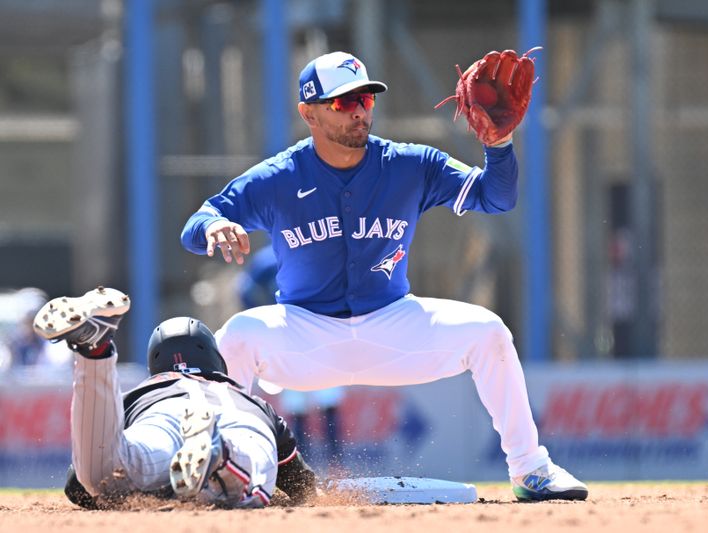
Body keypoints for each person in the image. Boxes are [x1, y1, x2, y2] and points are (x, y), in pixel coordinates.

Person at [180, 51, 588, 501]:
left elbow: (495, 198)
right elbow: (196, 224)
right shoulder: (279, 177)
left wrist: (499, 145)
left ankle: (531, 470)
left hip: (392, 323)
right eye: (342, 102)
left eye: (365, 100)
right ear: (308, 113)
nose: (358, 110)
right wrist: (212, 225)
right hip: (306, 332)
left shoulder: (410, 165)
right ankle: (230, 474)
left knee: (489, 332)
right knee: (236, 335)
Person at [32, 287, 316, 509]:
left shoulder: (138, 395)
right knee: (248, 476)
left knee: (103, 479)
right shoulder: (252, 402)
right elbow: (302, 487)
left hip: (157, 420)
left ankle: (95, 351)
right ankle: (223, 459)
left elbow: (77, 487)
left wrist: (151, 492)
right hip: (237, 419)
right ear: (213, 358)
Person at [239, 246, 344, 468]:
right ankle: (331, 467)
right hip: (315, 335)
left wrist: (263, 318)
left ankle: (307, 469)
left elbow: (245, 291)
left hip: (291, 337)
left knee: (308, 407)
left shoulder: (267, 257)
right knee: (316, 406)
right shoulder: (314, 252)